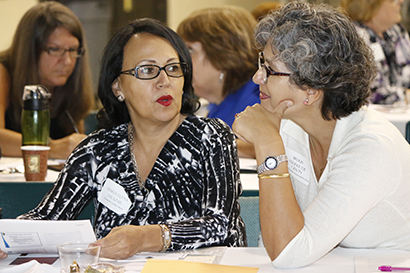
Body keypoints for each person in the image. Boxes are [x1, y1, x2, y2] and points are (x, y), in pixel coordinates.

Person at [0, 18, 246, 260]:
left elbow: (221, 225)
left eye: (173, 68)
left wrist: (146, 238)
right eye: (148, 70)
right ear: (117, 86)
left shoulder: (211, 136)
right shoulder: (99, 150)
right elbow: (46, 217)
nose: (165, 81)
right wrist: (5, 238)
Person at [233, 2, 410, 268]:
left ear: (312, 89)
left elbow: (288, 252)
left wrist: (268, 143)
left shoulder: (371, 147)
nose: (258, 77)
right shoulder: (292, 126)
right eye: (262, 63)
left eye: (270, 69)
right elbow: (274, 240)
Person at [0, 1, 94, 159]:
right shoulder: (3, 72)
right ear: (29, 50)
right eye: (55, 49)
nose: (68, 61)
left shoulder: (68, 87)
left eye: (72, 50)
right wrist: (52, 148)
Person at [177, 6, 260, 158]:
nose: (180, 61)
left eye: (190, 50)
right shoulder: (218, 102)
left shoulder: (259, 95)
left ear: (221, 53)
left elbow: (264, 145)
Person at [341, 0, 410, 105]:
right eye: (392, 0)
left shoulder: (397, 31)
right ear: (370, 5)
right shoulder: (352, 37)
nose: (401, 1)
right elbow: (362, 94)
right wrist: (404, 95)